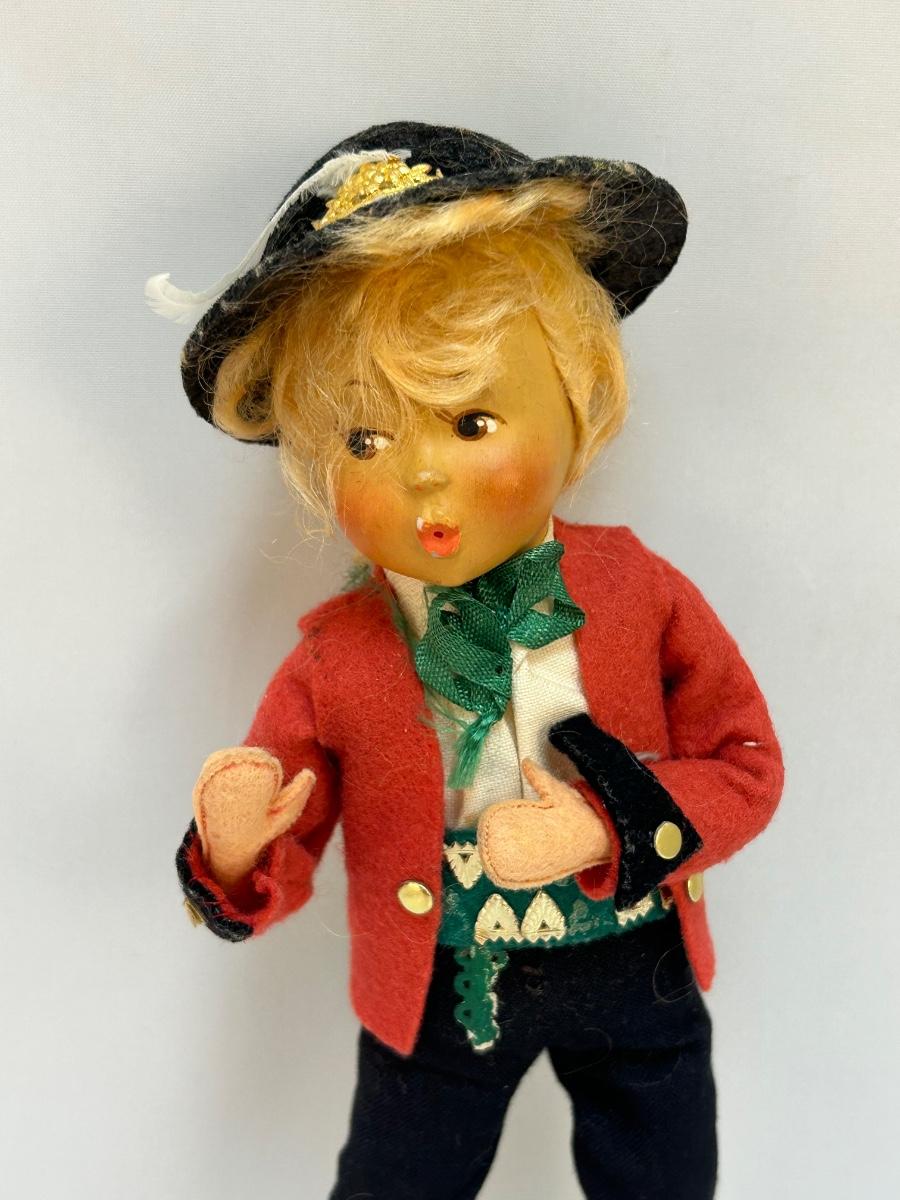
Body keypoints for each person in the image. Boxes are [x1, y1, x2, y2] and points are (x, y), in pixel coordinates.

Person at [150, 121, 784, 1199]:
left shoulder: (640, 593)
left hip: (634, 962)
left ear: (579, 400)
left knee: (665, 1173)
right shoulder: (336, 656)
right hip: (438, 983)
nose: (422, 478)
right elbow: (282, 847)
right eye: (364, 441)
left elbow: (746, 766)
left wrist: (603, 827)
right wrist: (238, 846)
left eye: (473, 421)